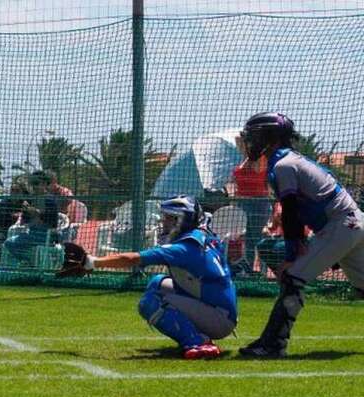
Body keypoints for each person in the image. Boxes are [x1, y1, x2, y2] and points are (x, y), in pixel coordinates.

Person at [236, 112, 364, 357]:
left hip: (341, 225)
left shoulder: (284, 165)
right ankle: (271, 343)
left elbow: (291, 210)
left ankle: (273, 344)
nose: (250, 142)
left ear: (270, 138)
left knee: (293, 278)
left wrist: (293, 254)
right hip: (350, 223)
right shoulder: (290, 160)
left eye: (255, 136)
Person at [58, 195, 238, 359]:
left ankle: (197, 342)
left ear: (182, 221)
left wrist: (93, 262)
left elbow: (133, 259)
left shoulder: (185, 248)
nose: (163, 222)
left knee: (150, 303)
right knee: (157, 283)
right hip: (219, 308)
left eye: (169, 218)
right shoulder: (203, 236)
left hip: (218, 317)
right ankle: (199, 337)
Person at [229, 137, 272, 274]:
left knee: (257, 238)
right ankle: (249, 272)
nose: (243, 148)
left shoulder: (261, 160)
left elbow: (257, 167)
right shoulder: (242, 163)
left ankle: (263, 273)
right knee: (247, 240)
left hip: (258, 203)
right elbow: (238, 140)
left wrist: (251, 143)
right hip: (243, 203)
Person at [2, 170, 59, 265]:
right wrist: (25, 210)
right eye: (32, 184)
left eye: (36, 183)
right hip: (31, 234)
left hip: (46, 235)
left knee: (13, 243)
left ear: (44, 184)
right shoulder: (31, 199)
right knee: (9, 243)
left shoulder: (50, 200)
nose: (34, 186)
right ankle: (28, 261)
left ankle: (31, 262)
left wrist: (36, 212)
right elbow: (25, 220)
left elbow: (53, 222)